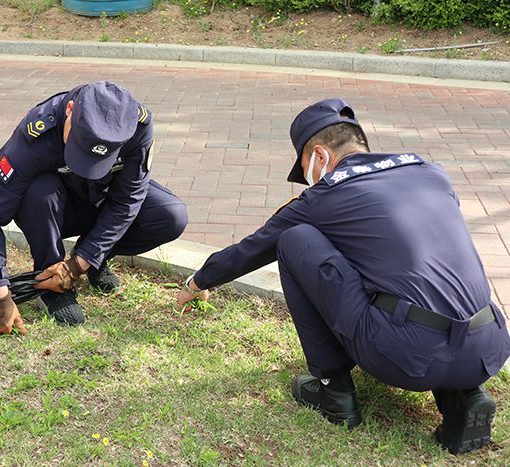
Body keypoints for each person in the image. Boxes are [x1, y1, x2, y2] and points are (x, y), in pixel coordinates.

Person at [177, 98, 510, 454]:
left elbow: (252, 249)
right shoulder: (431, 171)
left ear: (320, 156)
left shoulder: (325, 195)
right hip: (489, 346)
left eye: (303, 165)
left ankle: (333, 391)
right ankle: (464, 392)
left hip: (404, 356)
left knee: (294, 240)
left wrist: (196, 283)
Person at [0, 81, 188, 330]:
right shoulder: (34, 136)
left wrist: (80, 262)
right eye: (80, 150)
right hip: (55, 209)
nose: (87, 164)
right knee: (40, 191)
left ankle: (96, 257)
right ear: (70, 110)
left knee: (170, 216)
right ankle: (49, 281)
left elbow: (127, 199)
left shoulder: (136, 125)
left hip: (102, 200)